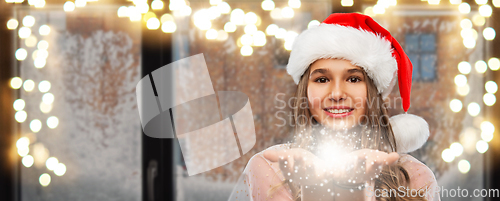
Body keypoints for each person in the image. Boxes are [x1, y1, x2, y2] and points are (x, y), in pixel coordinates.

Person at [228, 13, 440, 201]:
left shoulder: (413, 176)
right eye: (322, 80)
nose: (337, 94)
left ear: (373, 92)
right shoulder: (271, 170)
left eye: (354, 79)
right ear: (305, 90)